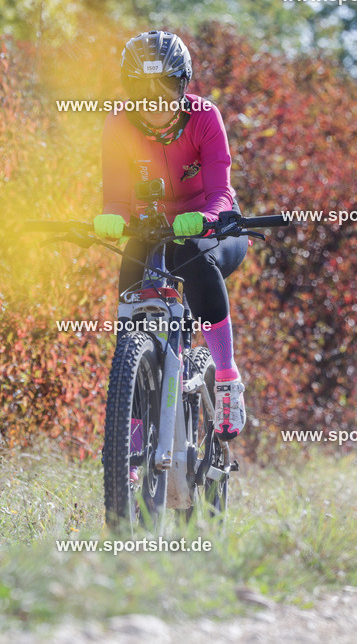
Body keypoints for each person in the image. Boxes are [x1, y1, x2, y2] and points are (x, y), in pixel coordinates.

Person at [93, 29, 250, 441]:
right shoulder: (118, 124)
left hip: (213, 228)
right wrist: (112, 215)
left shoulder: (204, 117)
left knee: (191, 255)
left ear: (183, 85)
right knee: (132, 267)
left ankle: (228, 378)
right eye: (143, 90)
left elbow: (221, 193)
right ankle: (130, 421)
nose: (154, 100)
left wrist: (205, 218)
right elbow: (117, 196)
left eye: (165, 87)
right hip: (155, 228)